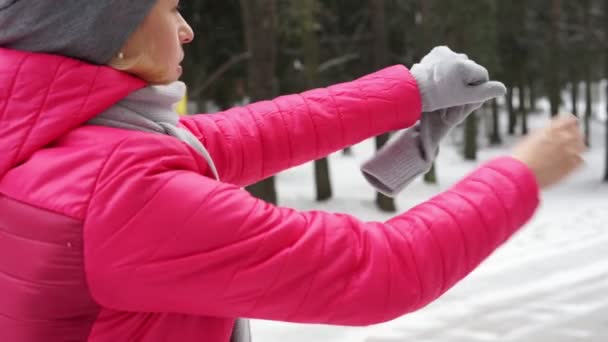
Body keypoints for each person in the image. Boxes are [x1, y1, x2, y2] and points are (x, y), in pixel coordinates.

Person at [0, 1, 585, 342]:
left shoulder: (55, 139)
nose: (187, 30)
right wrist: (522, 174)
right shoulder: (121, 194)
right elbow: (380, 270)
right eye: (170, 8)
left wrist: (411, 91)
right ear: (112, 38)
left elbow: (250, 132)